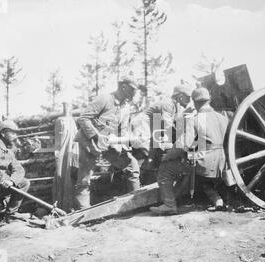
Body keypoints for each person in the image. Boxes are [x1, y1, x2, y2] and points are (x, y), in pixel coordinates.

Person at [150, 87, 229, 215]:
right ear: (209, 100)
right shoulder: (223, 118)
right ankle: (218, 201)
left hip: (204, 163)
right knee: (204, 179)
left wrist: (168, 156)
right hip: (222, 163)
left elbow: (183, 144)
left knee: (165, 169)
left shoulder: (195, 119)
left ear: (195, 102)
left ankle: (169, 205)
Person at [73, 77, 140, 209]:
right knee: (84, 178)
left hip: (109, 143)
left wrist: (127, 143)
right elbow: (83, 118)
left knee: (132, 166)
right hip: (89, 142)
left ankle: (137, 201)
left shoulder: (126, 107)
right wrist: (96, 137)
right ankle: (83, 212)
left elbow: (122, 131)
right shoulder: (104, 99)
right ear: (123, 87)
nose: (134, 93)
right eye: (132, 90)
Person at [130, 84, 194, 184]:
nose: (190, 100)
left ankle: (145, 178)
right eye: (188, 98)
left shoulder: (174, 105)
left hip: (151, 129)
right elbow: (167, 126)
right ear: (180, 96)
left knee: (152, 155)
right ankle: (138, 181)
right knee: (147, 155)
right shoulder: (168, 104)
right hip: (142, 127)